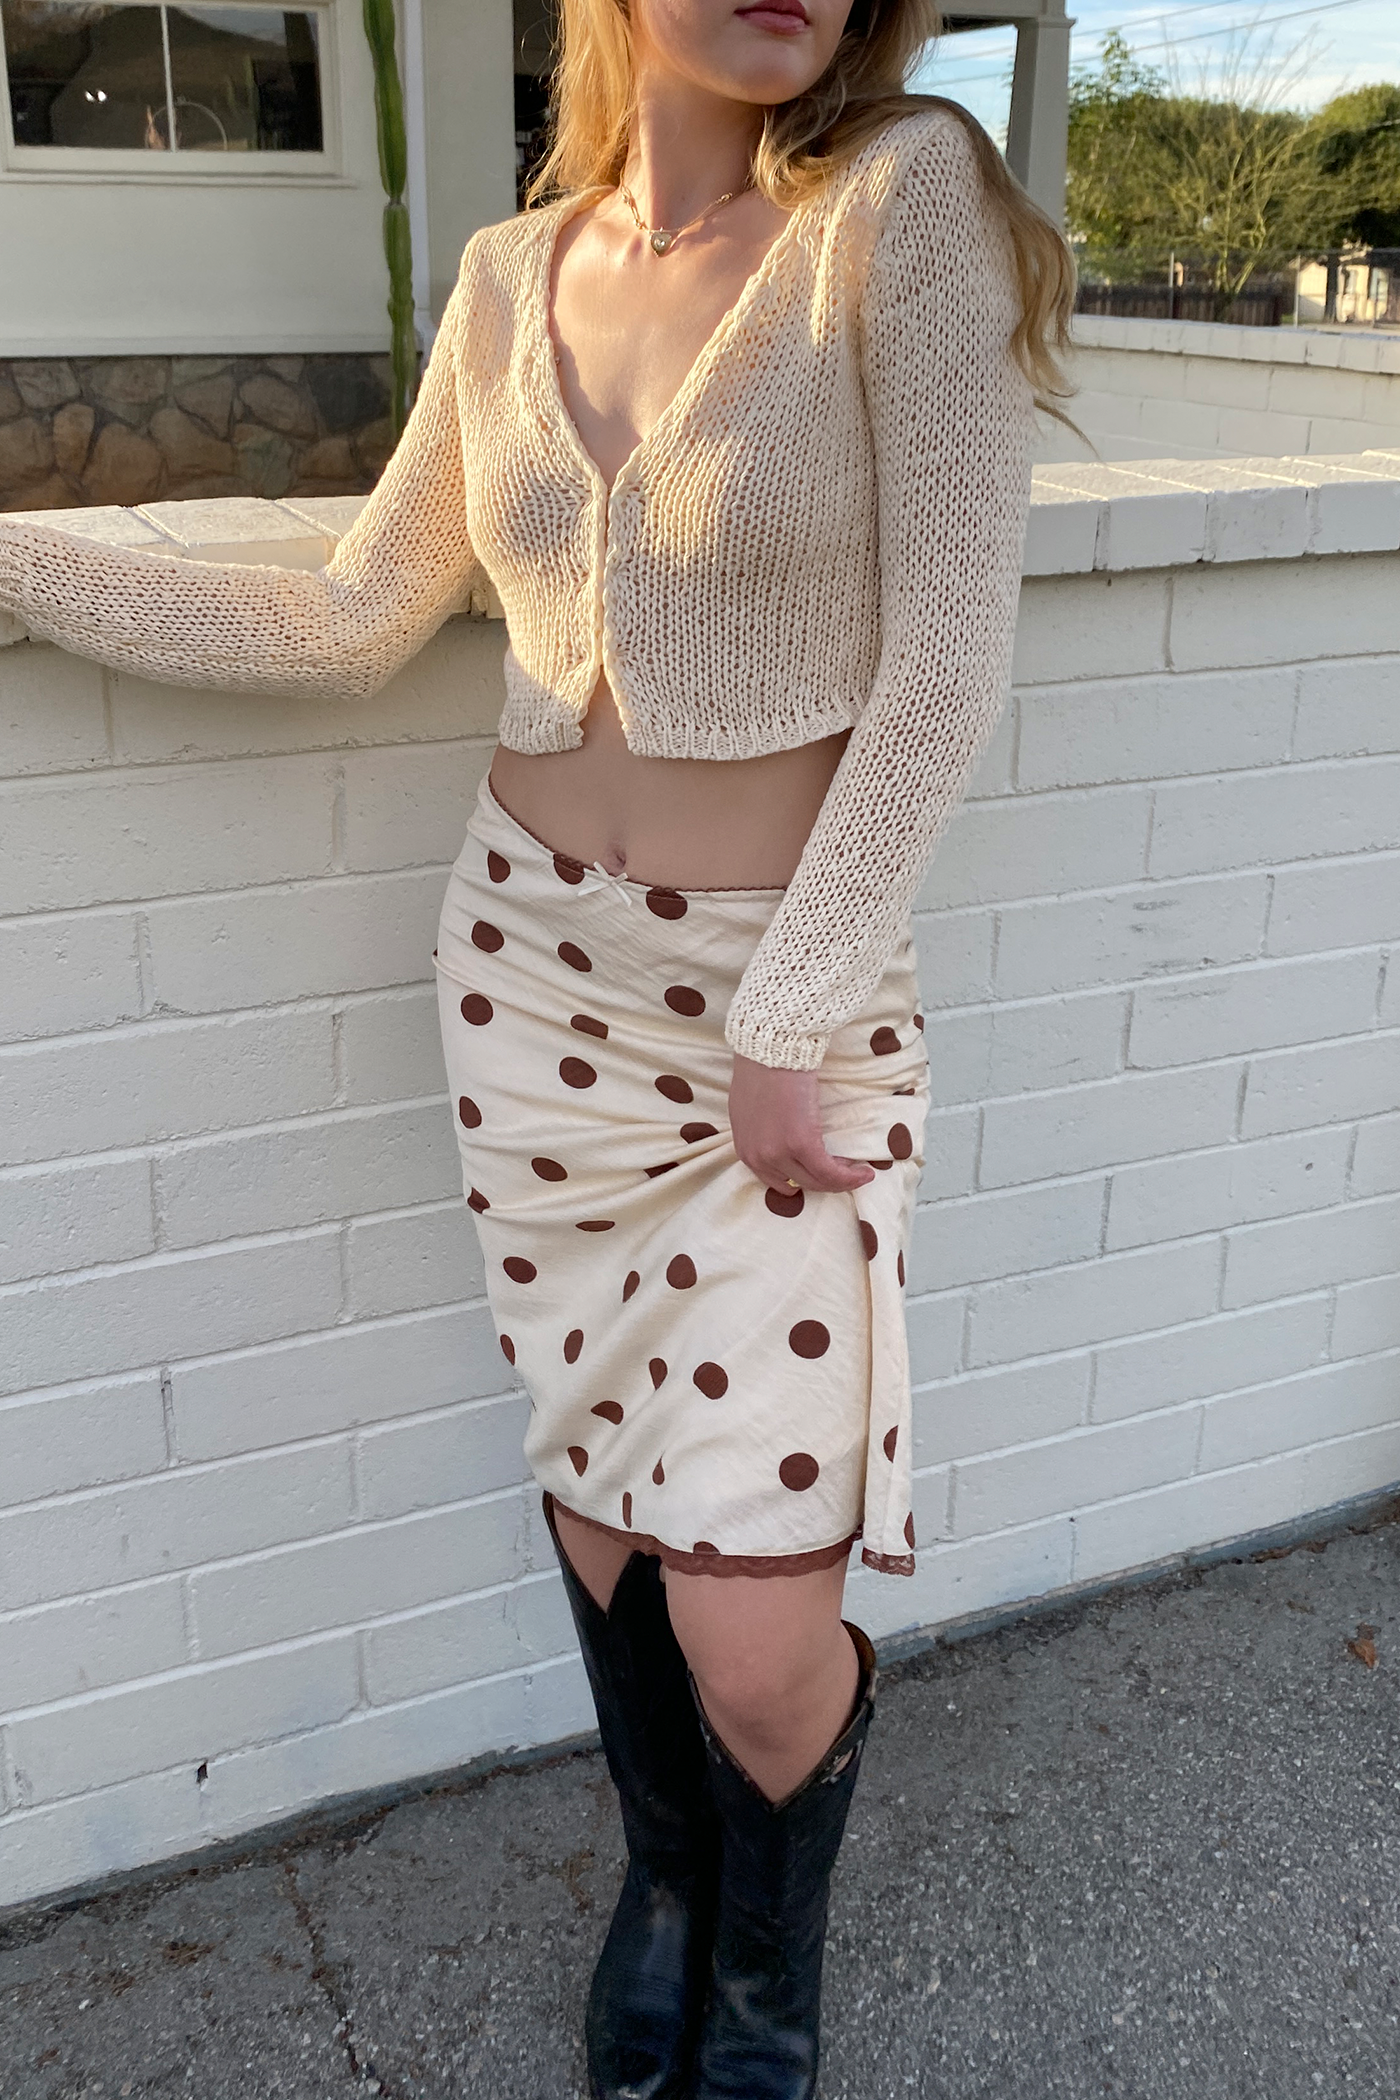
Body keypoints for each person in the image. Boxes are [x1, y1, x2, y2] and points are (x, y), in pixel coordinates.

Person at [0, 0, 1073, 2090]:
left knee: (753, 1631)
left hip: (786, 1015)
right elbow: (348, 610)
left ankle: (767, 1963)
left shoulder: (895, 208)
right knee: (600, 1518)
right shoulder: (507, 281)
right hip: (532, 1001)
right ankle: (670, 1886)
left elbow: (951, 654)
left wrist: (792, 1006)